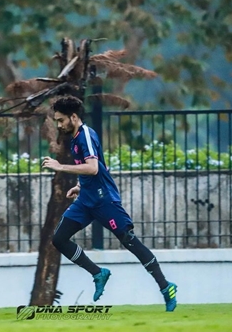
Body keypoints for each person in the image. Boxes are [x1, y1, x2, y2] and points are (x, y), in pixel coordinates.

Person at [41, 95, 177, 312]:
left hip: (104, 200)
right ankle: (98, 273)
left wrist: (60, 166)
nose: (58, 125)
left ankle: (165, 286)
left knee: (129, 241)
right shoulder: (76, 137)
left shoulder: (85, 135)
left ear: (73, 117)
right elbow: (91, 169)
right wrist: (79, 185)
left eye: (60, 120)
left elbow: (93, 167)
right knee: (59, 239)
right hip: (86, 199)